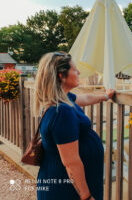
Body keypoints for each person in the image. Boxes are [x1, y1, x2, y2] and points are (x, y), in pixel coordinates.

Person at [33, 52, 114, 200]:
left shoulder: (63, 100)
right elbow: (71, 163)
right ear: (61, 76)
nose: (79, 72)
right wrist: (86, 196)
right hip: (67, 190)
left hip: (62, 182)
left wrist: (106, 96)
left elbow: (84, 98)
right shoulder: (61, 112)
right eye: (74, 69)